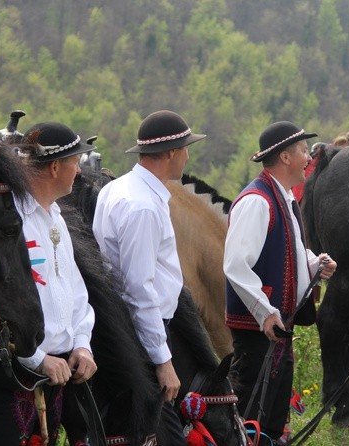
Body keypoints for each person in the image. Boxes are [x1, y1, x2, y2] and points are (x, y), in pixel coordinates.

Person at [0, 122, 97, 445]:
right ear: (55, 167)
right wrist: (37, 358)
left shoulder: (56, 217)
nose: (79, 171)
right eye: (74, 162)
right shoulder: (11, 221)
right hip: (13, 376)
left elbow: (76, 292)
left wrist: (82, 343)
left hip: (56, 373)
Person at [92, 110, 206, 445]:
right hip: (141, 333)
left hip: (129, 329)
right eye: (185, 148)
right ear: (171, 152)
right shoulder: (142, 206)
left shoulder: (119, 188)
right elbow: (139, 289)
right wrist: (162, 360)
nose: (187, 155)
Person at [224, 121, 337, 445]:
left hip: (275, 327)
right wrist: (265, 312)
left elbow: (285, 249)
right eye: (303, 151)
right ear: (285, 157)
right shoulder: (257, 201)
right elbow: (235, 265)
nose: (308, 158)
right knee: (251, 417)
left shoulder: (282, 197)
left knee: (272, 418)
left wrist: (315, 263)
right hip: (259, 330)